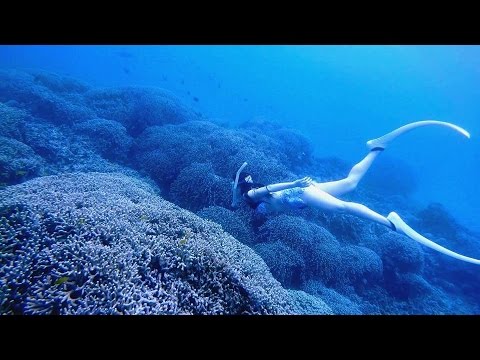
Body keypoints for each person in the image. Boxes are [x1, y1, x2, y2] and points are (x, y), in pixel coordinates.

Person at [231, 120, 480, 265]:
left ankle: (389, 222)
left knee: (342, 207)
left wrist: (293, 182)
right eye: (248, 178)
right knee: (351, 184)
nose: (252, 178)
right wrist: (246, 184)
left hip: (301, 194)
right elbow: (247, 195)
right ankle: (377, 147)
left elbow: (268, 189)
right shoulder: (246, 197)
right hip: (301, 195)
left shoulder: (251, 196)